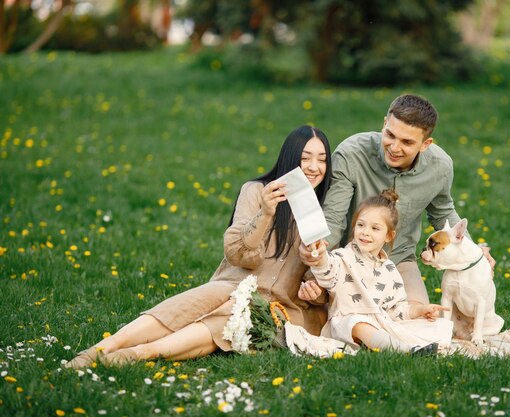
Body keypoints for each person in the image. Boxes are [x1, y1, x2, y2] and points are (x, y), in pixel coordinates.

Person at [66, 125, 332, 368]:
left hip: (278, 307)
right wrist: (265, 214)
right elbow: (240, 255)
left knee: (235, 314)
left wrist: (314, 288)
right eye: (305, 157)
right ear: (289, 158)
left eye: (321, 159)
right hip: (234, 282)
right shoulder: (256, 192)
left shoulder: (325, 215)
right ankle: (99, 349)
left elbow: (323, 287)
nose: (313, 167)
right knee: (191, 303)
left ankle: (137, 355)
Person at [300, 94, 495, 306]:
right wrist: (318, 254)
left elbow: (443, 212)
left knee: (420, 320)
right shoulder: (351, 154)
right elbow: (334, 217)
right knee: (321, 306)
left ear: (425, 144)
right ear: (384, 123)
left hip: (398, 260)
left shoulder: (440, 166)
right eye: (390, 135)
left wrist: (472, 249)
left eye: (407, 142)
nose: (394, 147)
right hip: (346, 259)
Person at [308, 189, 451, 353]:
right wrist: (319, 257)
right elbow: (326, 271)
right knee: (358, 324)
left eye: (375, 228)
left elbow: (395, 309)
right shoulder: (341, 257)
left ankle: (398, 345)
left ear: (389, 236)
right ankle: (406, 351)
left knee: (432, 326)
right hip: (347, 322)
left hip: (381, 323)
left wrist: (419, 310)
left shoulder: (389, 269)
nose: (365, 232)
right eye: (360, 225)